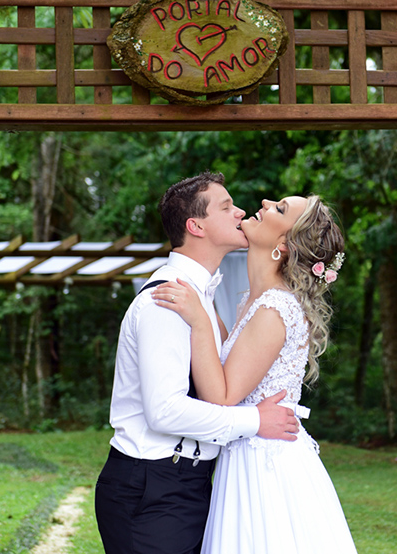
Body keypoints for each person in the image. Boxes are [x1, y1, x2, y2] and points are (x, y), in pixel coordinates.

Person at [94, 172, 300, 554]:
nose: (240, 211)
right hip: (151, 489)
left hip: (189, 483)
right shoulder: (168, 299)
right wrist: (255, 421)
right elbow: (165, 412)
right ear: (196, 226)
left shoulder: (202, 296)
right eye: (226, 207)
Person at [152, 194, 357, 554]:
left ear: (283, 245)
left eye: (279, 209)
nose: (264, 202)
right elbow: (237, 364)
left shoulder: (275, 308)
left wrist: (200, 320)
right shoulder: (257, 300)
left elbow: (223, 396)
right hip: (249, 453)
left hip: (265, 469)